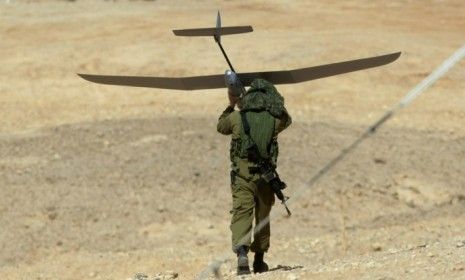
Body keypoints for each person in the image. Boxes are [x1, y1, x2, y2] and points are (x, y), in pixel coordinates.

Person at [217, 79, 292, 275]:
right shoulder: (274, 120)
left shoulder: (236, 119)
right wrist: (275, 101)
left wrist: (231, 104)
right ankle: (259, 260)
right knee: (262, 217)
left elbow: (221, 126)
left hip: (242, 178)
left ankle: (242, 255)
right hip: (265, 180)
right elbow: (287, 119)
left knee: (242, 213)